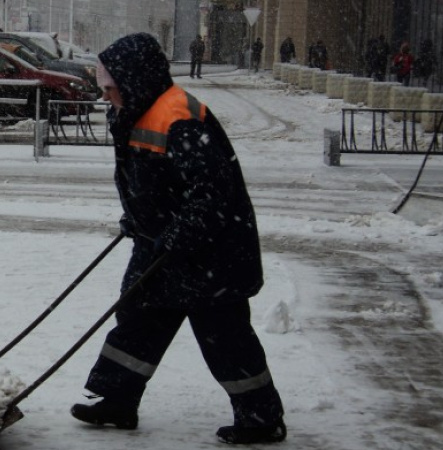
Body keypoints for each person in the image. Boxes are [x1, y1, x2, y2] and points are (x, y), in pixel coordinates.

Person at [70, 32, 286, 445]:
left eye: (110, 88)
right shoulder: (136, 109)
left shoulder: (179, 118)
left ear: (133, 81)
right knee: (138, 319)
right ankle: (116, 401)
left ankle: (261, 419)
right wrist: (138, 219)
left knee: (225, 337)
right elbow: (152, 182)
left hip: (210, 254)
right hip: (161, 243)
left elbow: (211, 194)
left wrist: (177, 235)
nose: (106, 96)